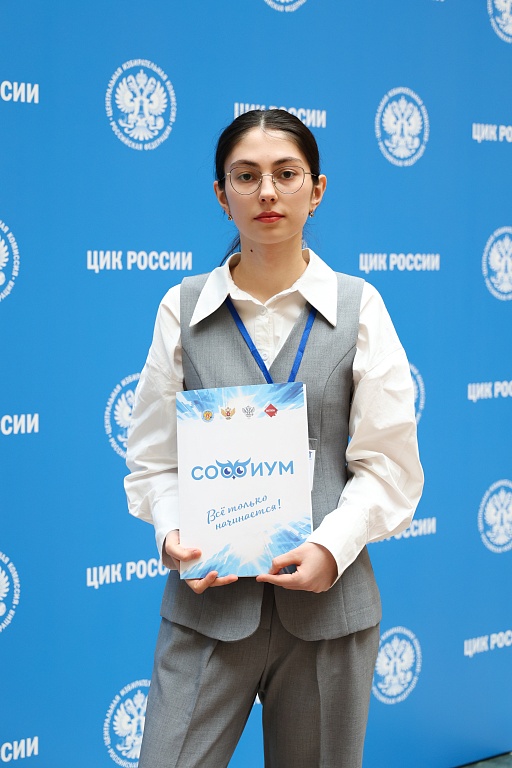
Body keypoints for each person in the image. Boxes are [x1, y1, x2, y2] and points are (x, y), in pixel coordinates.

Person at [124, 108, 423, 768]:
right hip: (208, 607)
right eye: (246, 176)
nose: (267, 192)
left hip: (328, 609)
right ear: (220, 193)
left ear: (316, 190)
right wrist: (171, 533)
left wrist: (330, 548)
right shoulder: (182, 307)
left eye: (286, 174)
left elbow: (389, 465)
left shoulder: (360, 307)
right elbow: (153, 458)